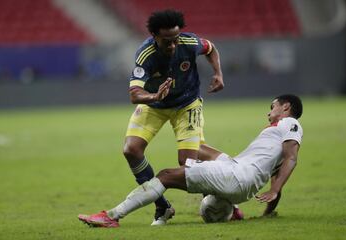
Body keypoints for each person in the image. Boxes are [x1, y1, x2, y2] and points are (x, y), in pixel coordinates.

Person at [78, 94, 304, 228]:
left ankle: (111, 216)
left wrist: (274, 189)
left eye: (272, 106)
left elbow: (292, 158)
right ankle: (232, 209)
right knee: (197, 149)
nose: (269, 112)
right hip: (238, 171)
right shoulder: (276, 137)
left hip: (238, 176)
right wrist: (269, 209)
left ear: (286, 107)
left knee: (166, 176)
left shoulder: (289, 123)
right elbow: (281, 168)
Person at [122, 9, 224, 225]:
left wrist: (217, 73)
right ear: (154, 36)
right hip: (155, 105)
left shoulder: (190, 42)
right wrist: (154, 95)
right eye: (166, 41)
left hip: (186, 104)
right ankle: (162, 207)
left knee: (187, 163)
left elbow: (211, 48)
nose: (172, 45)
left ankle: (220, 200)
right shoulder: (145, 54)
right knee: (131, 150)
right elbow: (134, 94)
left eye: (175, 39)